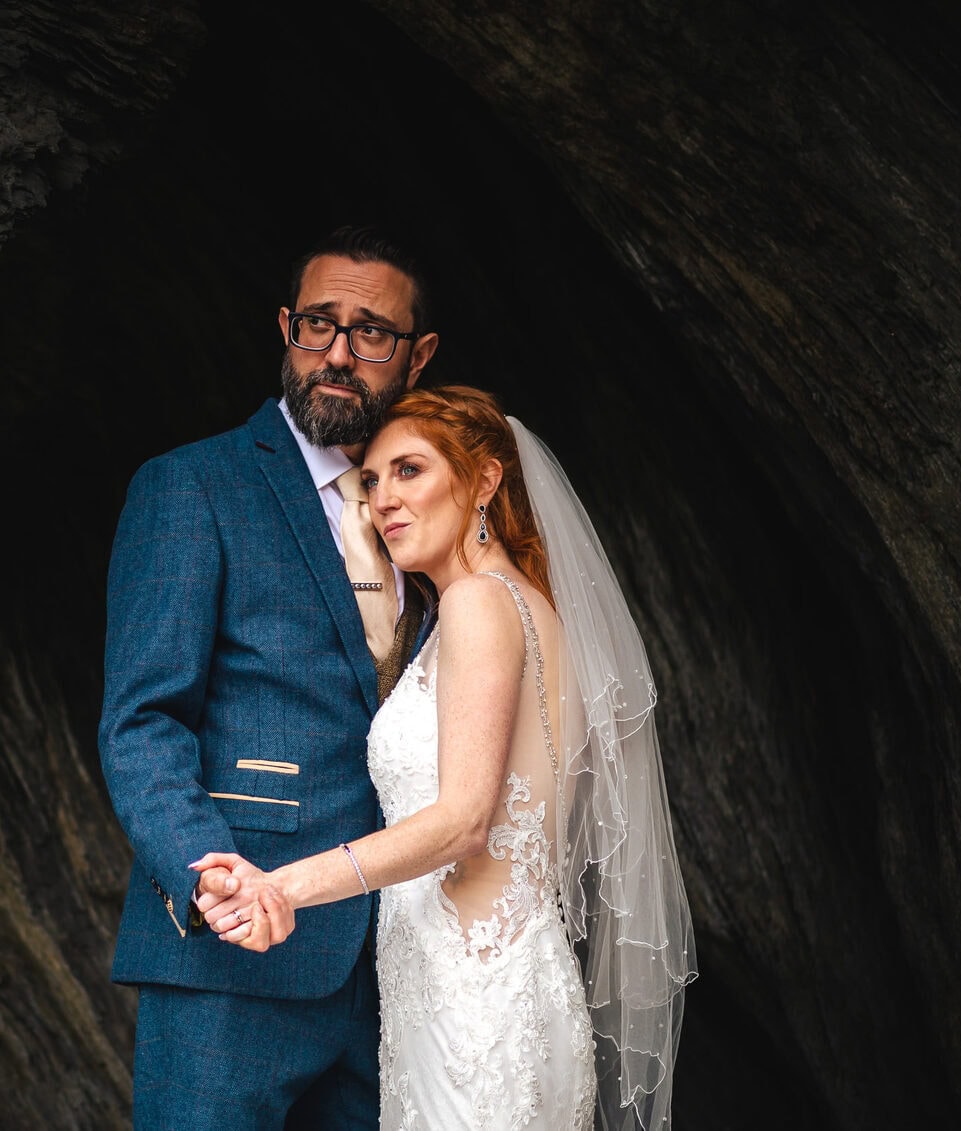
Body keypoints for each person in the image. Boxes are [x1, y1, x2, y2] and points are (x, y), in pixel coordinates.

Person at [193, 386, 697, 1130]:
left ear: (485, 479)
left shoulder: (476, 604)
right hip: (497, 993)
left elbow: (464, 821)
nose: (383, 498)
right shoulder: (525, 606)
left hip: (475, 1013)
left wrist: (283, 885)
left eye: (410, 471)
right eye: (370, 481)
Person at [97, 226, 440, 1127]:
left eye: (371, 333)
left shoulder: (430, 515)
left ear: (418, 355)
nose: (337, 352)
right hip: (233, 954)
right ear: (285, 326)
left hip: (401, 968)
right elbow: (142, 721)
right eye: (317, 324)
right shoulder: (191, 486)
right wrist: (207, 874)